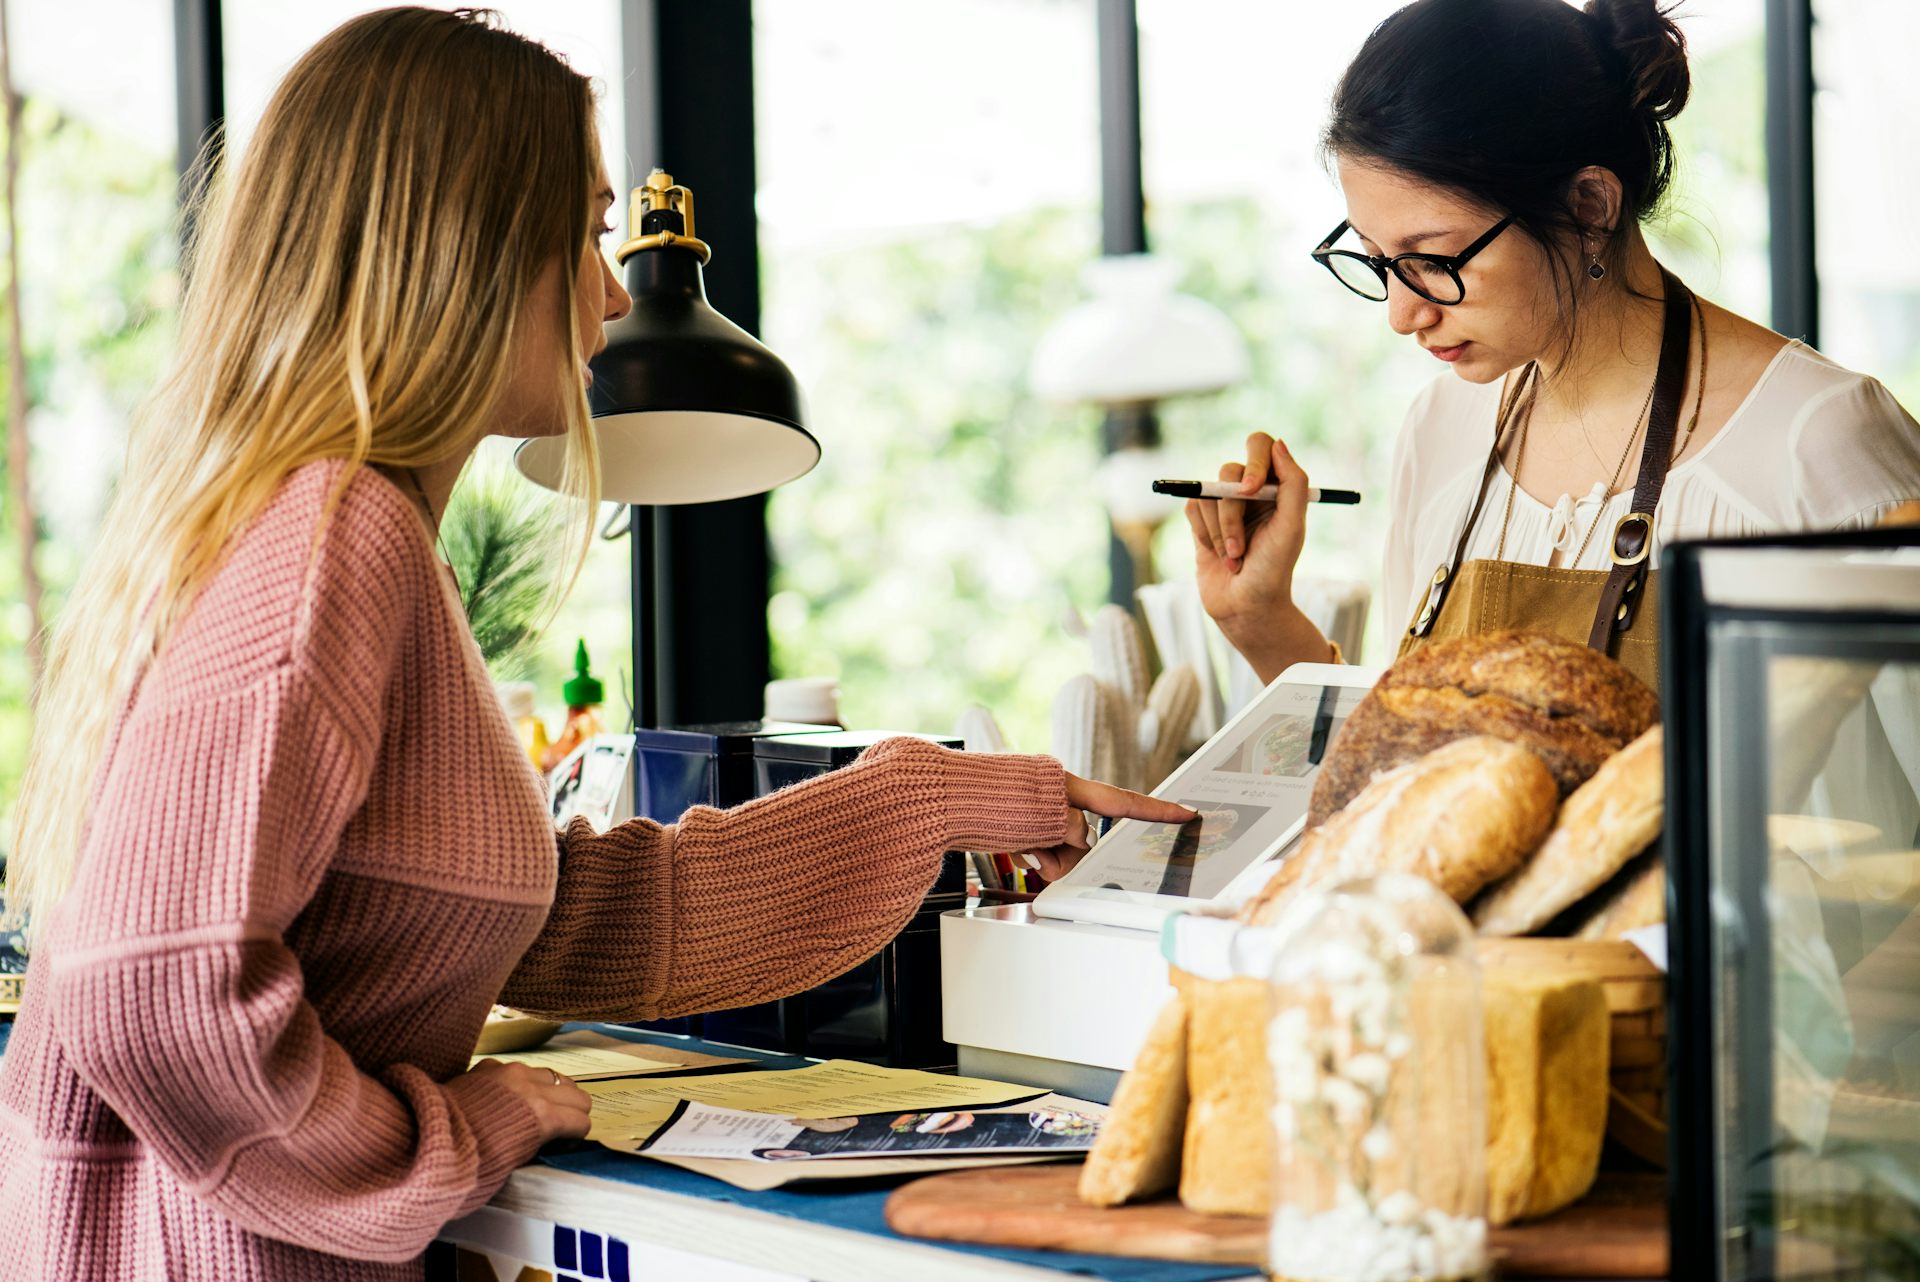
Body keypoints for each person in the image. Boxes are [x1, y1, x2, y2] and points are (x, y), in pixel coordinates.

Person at [0, 11, 1191, 1280]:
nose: (615, 291)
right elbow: (157, 991)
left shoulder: (323, 518)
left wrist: (929, 797)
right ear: (460, 250)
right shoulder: (331, 538)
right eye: (582, 232)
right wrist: (445, 1136)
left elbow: (539, 920)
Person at [1188, 0, 1920, 690]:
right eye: (1379, 261)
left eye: (1434, 259)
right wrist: (1259, 620)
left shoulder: (1815, 440)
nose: (1403, 314)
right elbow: (1404, 775)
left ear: (1590, 206)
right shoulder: (1442, 429)